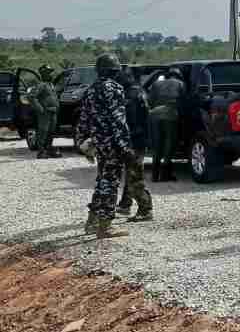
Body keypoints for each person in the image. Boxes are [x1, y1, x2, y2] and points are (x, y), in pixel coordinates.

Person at [77, 53, 134, 239]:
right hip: (112, 145)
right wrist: (125, 146)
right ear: (114, 71)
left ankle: (92, 222)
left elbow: (83, 120)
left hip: (98, 143)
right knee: (110, 183)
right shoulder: (114, 88)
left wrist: (82, 143)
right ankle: (105, 226)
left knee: (102, 181)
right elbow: (118, 120)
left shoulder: (90, 90)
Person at [115, 69, 154, 221]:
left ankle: (146, 209)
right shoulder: (138, 92)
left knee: (134, 175)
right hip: (136, 139)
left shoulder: (131, 95)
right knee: (131, 172)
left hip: (134, 140)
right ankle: (125, 204)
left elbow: (133, 120)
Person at [147, 67, 184, 182]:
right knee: (169, 143)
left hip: (154, 115)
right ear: (178, 76)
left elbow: (150, 101)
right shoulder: (180, 84)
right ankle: (164, 175)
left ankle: (154, 175)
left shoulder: (156, 84)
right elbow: (184, 101)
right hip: (170, 115)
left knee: (157, 144)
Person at [29, 64, 61, 159]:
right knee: (43, 132)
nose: (51, 74)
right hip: (45, 113)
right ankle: (41, 151)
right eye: (49, 73)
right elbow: (31, 97)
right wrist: (40, 108)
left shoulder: (51, 85)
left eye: (51, 72)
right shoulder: (41, 85)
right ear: (44, 74)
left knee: (51, 131)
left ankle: (49, 149)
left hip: (53, 112)